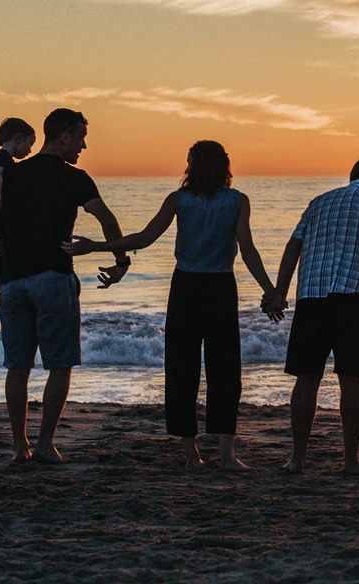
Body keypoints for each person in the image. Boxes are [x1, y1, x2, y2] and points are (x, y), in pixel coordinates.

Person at [65, 140, 279, 471]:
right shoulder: (234, 200)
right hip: (219, 288)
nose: (186, 166)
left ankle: (193, 453)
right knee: (224, 370)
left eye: (189, 161)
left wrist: (97, 246)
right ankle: (224, 455)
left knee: (183, 368)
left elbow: (144, 238)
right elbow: (247, 249)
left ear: (196, 165)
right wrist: (270, 290)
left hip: (189, 288)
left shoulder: (182, 199)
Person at [0, 108, 130, 465]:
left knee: (18, 367)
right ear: (64, 137)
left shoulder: (9, 174)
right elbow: (107, 219)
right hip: (53, 279)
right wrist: (121, 261)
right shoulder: (74, 178)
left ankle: (20, 447)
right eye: (80, 138)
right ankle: (44, 444)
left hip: (13, 283)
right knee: (60, 365)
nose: (83, 146)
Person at [263, 157, 359, 475]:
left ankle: (297, 459)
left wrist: (280, 291)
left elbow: (293, 246)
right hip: (354, 293)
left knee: (306, 378)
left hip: (312, 295)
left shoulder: (319, 201)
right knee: (351, 378)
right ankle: (351, 460)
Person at [0, 117, 36, 303]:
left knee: (1, 244)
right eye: (30, 143)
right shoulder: (3, 158)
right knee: (3, 244)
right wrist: (6, 201)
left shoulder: (2, 158)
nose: (30, 150)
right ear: (18, 138)